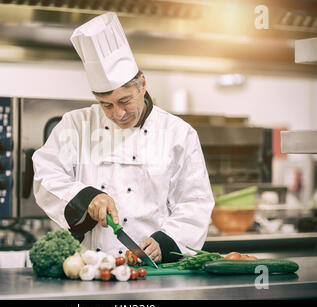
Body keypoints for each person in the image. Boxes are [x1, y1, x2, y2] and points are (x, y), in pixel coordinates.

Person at [32, 12, 214, 263]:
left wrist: (166, 242)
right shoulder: (75, 125)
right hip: (90, 268)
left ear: (142, 84)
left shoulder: (179, 134)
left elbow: (195, 202)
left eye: (124, 101)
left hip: (153, 270)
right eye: (106, 105)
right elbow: (46, 176)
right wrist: (87, 197)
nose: (117, 114)